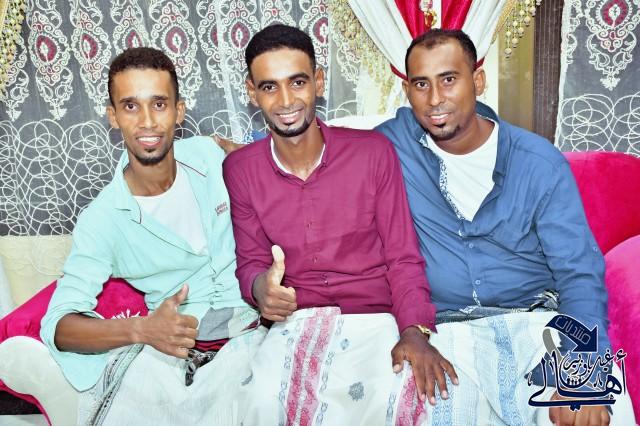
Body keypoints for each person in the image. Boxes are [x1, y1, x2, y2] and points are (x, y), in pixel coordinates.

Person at [376, 29, 635, 425]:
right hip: (444, 334)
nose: (435, 99)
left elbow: (579, 273)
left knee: (587, 411)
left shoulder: (537, 162)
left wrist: (582, 369)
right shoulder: (391, 147)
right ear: (407, 90)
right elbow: (316, 157)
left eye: (449, 79)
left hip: (537, 324)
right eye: (421, 84)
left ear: (478, 81)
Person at [222, 24, 457, 424]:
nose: (285, 101)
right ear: (251, 92)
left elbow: (402, 256)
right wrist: (262, 290)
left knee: (407, 400)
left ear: (318, 81)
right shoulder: (241, 170)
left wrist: (414, 330)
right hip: (296, 321)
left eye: (297, 82)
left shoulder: (372, 153)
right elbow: (251, 264)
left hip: (375, 319)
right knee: (262, 403)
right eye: (269, 87)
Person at [40, 47, 262, 425]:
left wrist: (255, 157)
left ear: (179, 111)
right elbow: (58, 326)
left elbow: (279, 175)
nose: (147, 122)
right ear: (113, 116)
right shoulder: (103, 219)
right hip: (184, 347)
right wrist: (142, 328)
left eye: (159, 104)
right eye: (131, 106)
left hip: (258, 324)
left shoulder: (211, 156)